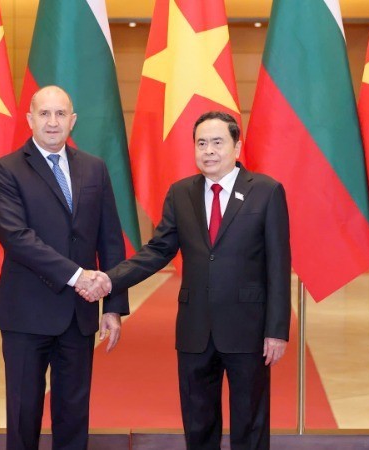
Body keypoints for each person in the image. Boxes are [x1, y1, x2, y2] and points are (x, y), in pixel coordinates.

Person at [79, 111, 291, 450]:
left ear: (237, 146)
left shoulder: (266, 192)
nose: (208, 150)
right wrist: (109, 279)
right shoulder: (181, 194)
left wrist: (277, 330)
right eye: (201, 143)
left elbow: (279, 266)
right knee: (197, 423)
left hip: (248, 328)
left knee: (250, 424)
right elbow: (158, 250)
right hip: (195, 330)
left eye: (218, 142)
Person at [0, 85, 128, 450]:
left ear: (73, 120)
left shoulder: (94, 168)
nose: (53, 122)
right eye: (45, 114)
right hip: (25, 314)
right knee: (23, 414)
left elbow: (110, 238)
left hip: (78, 316)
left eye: (60, 114)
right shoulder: (5, 170)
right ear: (30, 119)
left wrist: (113, 308)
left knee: (73, 416)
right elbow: (17, 238)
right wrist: (78, 275)